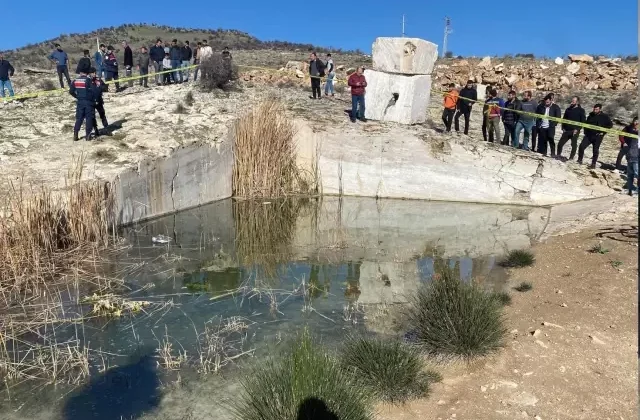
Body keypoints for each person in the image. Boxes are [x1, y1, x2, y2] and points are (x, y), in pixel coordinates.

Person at [577, 104, 613, 169]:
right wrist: (585, 132)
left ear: (600, 109)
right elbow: (586, 124)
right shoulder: (591, 115)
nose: (595, 110)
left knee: (595, 150)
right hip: (588, 135)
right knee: (581, 146)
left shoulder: (605, 116)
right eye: (594, 109)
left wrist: (603, 132)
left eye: (596, 109)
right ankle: (579, 160)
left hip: (598, 137)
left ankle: (593, 164)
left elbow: (610, 125)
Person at [69, 69, 97, 141]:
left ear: (80, 72)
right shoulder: (88, 80)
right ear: (87, 73)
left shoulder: (75, 80)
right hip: (88, 102)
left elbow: (71, 91)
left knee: (79, 118)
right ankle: (88, 136)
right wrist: (94, 99)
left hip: (80, 102)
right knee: (89, 118)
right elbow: (94, 91)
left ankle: (75, 134)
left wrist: (77, 96)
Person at [556, 96, 586, 160]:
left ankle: (571, 158)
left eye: (574, 101)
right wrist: (563, 128)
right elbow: (564, 119)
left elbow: (583, 122)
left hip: (574, 131)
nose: (572, 102)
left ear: (577, 102)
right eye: (572, 100)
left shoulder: (581, 110)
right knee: (560, 144)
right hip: (566, 130)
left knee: (573, 145)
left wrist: (577, 129)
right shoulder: (568, 109)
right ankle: (558, 155)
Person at [89, 67, 109, 137]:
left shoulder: (99, 80)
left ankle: (106, 129)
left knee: (102, 114)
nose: (94, 74)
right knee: (92, 116)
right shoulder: (87, 81)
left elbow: (105, 88)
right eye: (92, 73)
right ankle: (96, 130)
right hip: (91, 102)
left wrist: (101, 86)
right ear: (89, 74)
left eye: (95, 72)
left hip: (99, 101)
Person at [623, 117, 639, 195]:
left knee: (637, 174)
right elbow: (623, 136)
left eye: (638, 122)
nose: (636, 123)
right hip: (630, 155)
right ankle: (630, 190)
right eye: (635, 122)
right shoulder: (629, 130)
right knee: (630, 175)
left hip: (637, 157)